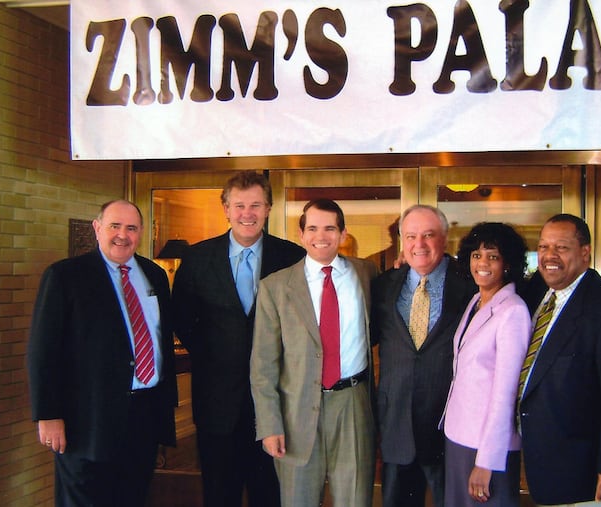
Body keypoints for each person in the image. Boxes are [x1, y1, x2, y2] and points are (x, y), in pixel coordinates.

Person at [27, 199, 178, 507]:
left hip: (143, 416)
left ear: (141, 233)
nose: (123, 235)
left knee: (133, 497)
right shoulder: (65, 276)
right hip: (86, 421)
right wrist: (48, 414)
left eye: (132, 228)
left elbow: (159, 339)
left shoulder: (155, 276)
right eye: (114, 226)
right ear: (97, 228)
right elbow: (43, 350)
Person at [171, 171, 305, 507]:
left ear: (269, 209)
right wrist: (219, 357)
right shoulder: (198, 259)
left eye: (256, 205)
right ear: (226, 209)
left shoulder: (291, 258)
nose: (248, 213)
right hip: (217, 402)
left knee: (270, 494)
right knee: (220, 493)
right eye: (240, 205)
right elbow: (183, 320)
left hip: (276, 405)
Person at [250, 198, 378, 507]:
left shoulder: (367, 274)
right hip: (296, 411)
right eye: (313, 228)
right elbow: (263, 364)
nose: (321, 236)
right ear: (301, 234)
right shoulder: (276, 287)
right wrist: (269, 426)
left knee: (356, 498)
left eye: (330, 228)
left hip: (352, 403)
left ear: (343, 234)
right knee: (298, 499)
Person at [518, 213, 601, 506]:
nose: (549, 256)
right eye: (543, 247)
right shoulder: (538, 293)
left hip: (594, 478)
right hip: (554, 469)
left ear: (584, 253)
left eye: (561, 248)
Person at [371, 204, 477, 507]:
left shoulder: (470, 286)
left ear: (444, 239)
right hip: (396, 425)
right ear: (402, 241)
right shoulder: (382, 286)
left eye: (429, 235)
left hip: (449, 426)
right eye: (411, 236)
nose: (419, 244)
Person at [441, 223, 531, 506]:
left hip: (487, 447)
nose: (482, 263)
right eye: (477, 255)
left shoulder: (513, 310)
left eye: (492, 256)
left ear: (507, 264)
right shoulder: (477, 300)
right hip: (459, 434)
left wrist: (487, 462)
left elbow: (505, 393)